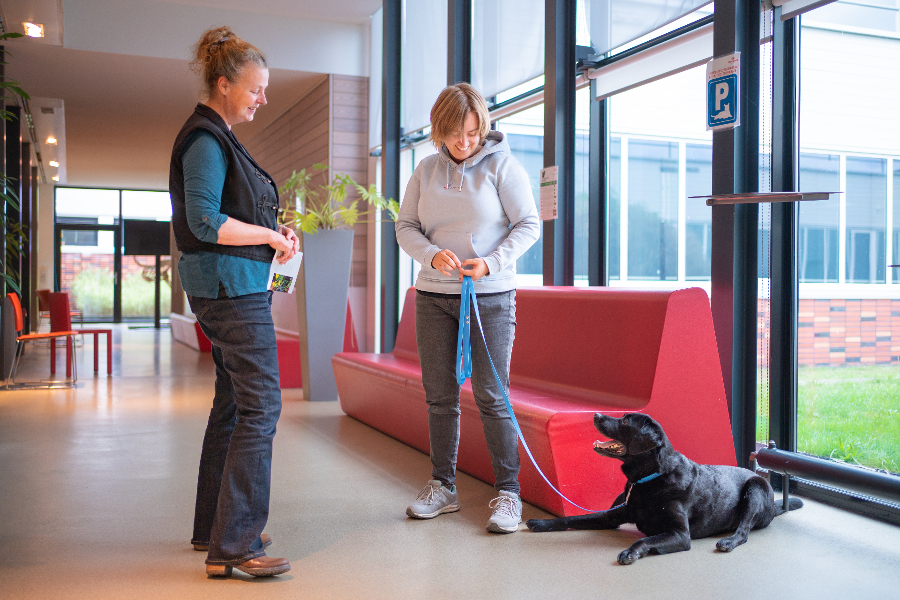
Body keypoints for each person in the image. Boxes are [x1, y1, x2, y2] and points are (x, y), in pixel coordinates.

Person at [169, 26, 298, 578]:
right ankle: (235, 547)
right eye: (255, 89)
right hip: (229, 290)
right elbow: (203, 221)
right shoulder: (204, 139)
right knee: (261, 405)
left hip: (235, 286)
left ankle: (214, 527)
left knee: (233, 405)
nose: (262, 99)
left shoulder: (219, 135)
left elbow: (228, 212)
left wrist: (274, 231)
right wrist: (268, 238)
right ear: (223, 84)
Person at [395, 83, 540, 533]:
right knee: (439, 397)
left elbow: (529, 224)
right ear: (439, 130)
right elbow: (406, 226)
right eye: (456, 133)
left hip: (490, 297)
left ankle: (509, 494)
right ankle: (443, 487)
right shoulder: (424, 170)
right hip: (434, 296)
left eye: (473, 133)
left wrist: (492, 261)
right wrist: (430, 255)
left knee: (492, 396)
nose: (465, 142)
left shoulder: (503, 166)